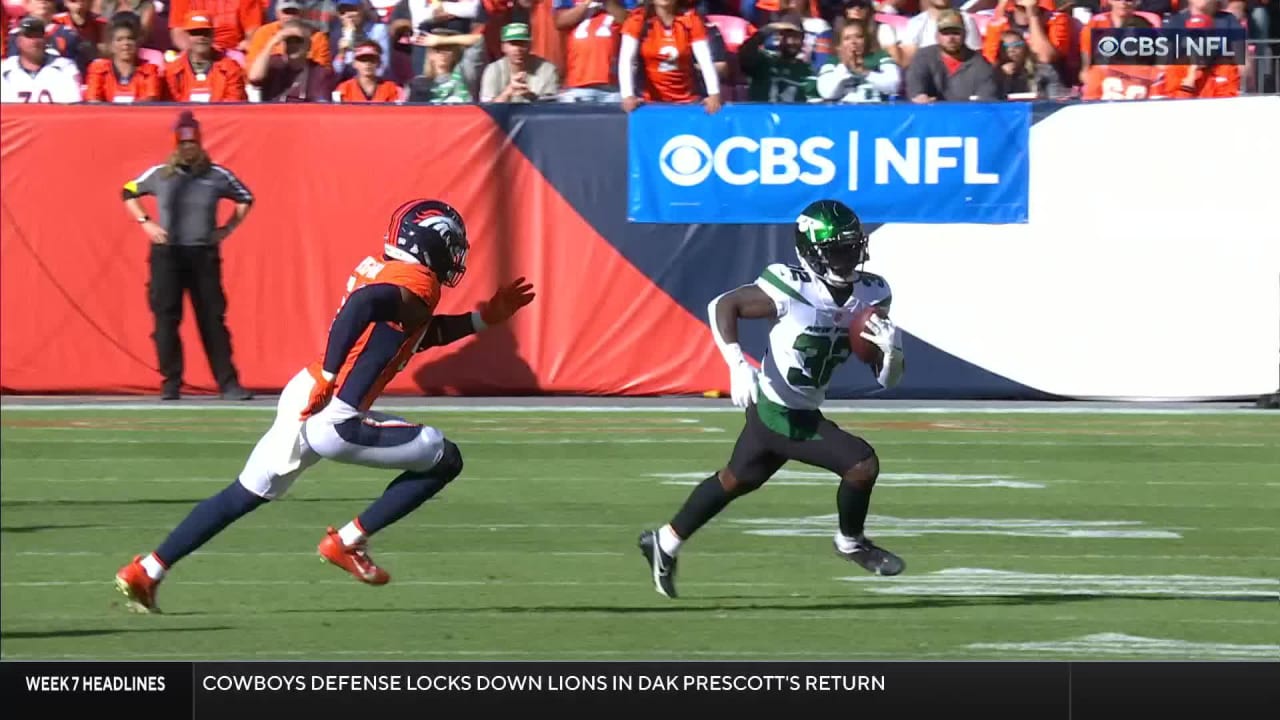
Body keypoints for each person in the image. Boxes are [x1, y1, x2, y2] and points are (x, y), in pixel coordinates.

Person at [113, 199, 536, 614]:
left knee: (245, 492)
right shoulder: (419, 281)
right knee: (446, 459)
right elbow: (362, 306)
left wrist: (482, 319)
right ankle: (349, 540)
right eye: (450, 246)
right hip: (336, 414)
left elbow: (419, 333)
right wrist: (332, 377)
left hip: (306, 393)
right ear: (428, 243)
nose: (454, 257)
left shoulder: (393, 272)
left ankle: (147, 570)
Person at [637, 199, 905, 599]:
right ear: (811, 253)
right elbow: (722, 305)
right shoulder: (791, 285)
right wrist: (736, 365)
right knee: (861, 464)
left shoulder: (873, 293)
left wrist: (893, 352)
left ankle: (665, 541)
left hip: (799, 406)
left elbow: (886, 380)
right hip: (777, 410)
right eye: (836, 250)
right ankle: (851, 543)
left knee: (736, 479)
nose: (847, 258)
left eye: (852, 248)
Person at [121, 110, 254, 401]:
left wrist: (227, 229)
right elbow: (128, 191)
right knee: (166, 321)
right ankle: (171, 382)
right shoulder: (159, 174)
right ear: (175, 145)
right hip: (167, 255)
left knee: (212, 320)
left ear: (200, 143)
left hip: (203, 255)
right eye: (183, 143)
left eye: (192, 143)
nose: (188, 148)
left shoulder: (217, 175)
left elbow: (246, 197)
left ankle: (228, 384)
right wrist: (147, 223)